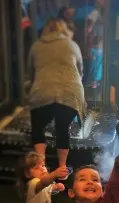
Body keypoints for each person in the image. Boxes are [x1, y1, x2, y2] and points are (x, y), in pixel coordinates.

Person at [27, 18, 86, 180]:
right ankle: (61, 169)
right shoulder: (71, 45)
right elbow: (80, 72)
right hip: (70, 93)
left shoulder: (36, 46)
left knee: (38, 128)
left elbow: (30, 73)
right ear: (64, 29)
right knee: (62, 129)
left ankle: (41, 167)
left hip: (42, 92)